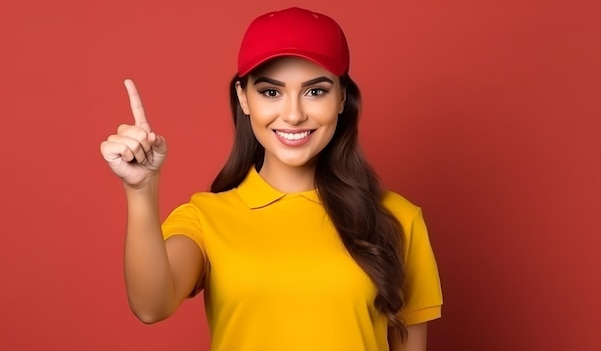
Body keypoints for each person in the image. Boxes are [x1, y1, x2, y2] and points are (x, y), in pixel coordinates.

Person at [100, 6, 442, 351]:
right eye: (271, 92)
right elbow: (150, 306)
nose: (293, 115)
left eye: (315, 91)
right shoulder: (204, 219)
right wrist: (141, 189)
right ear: (243, 98)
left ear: (342, 98)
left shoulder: (398, 219)